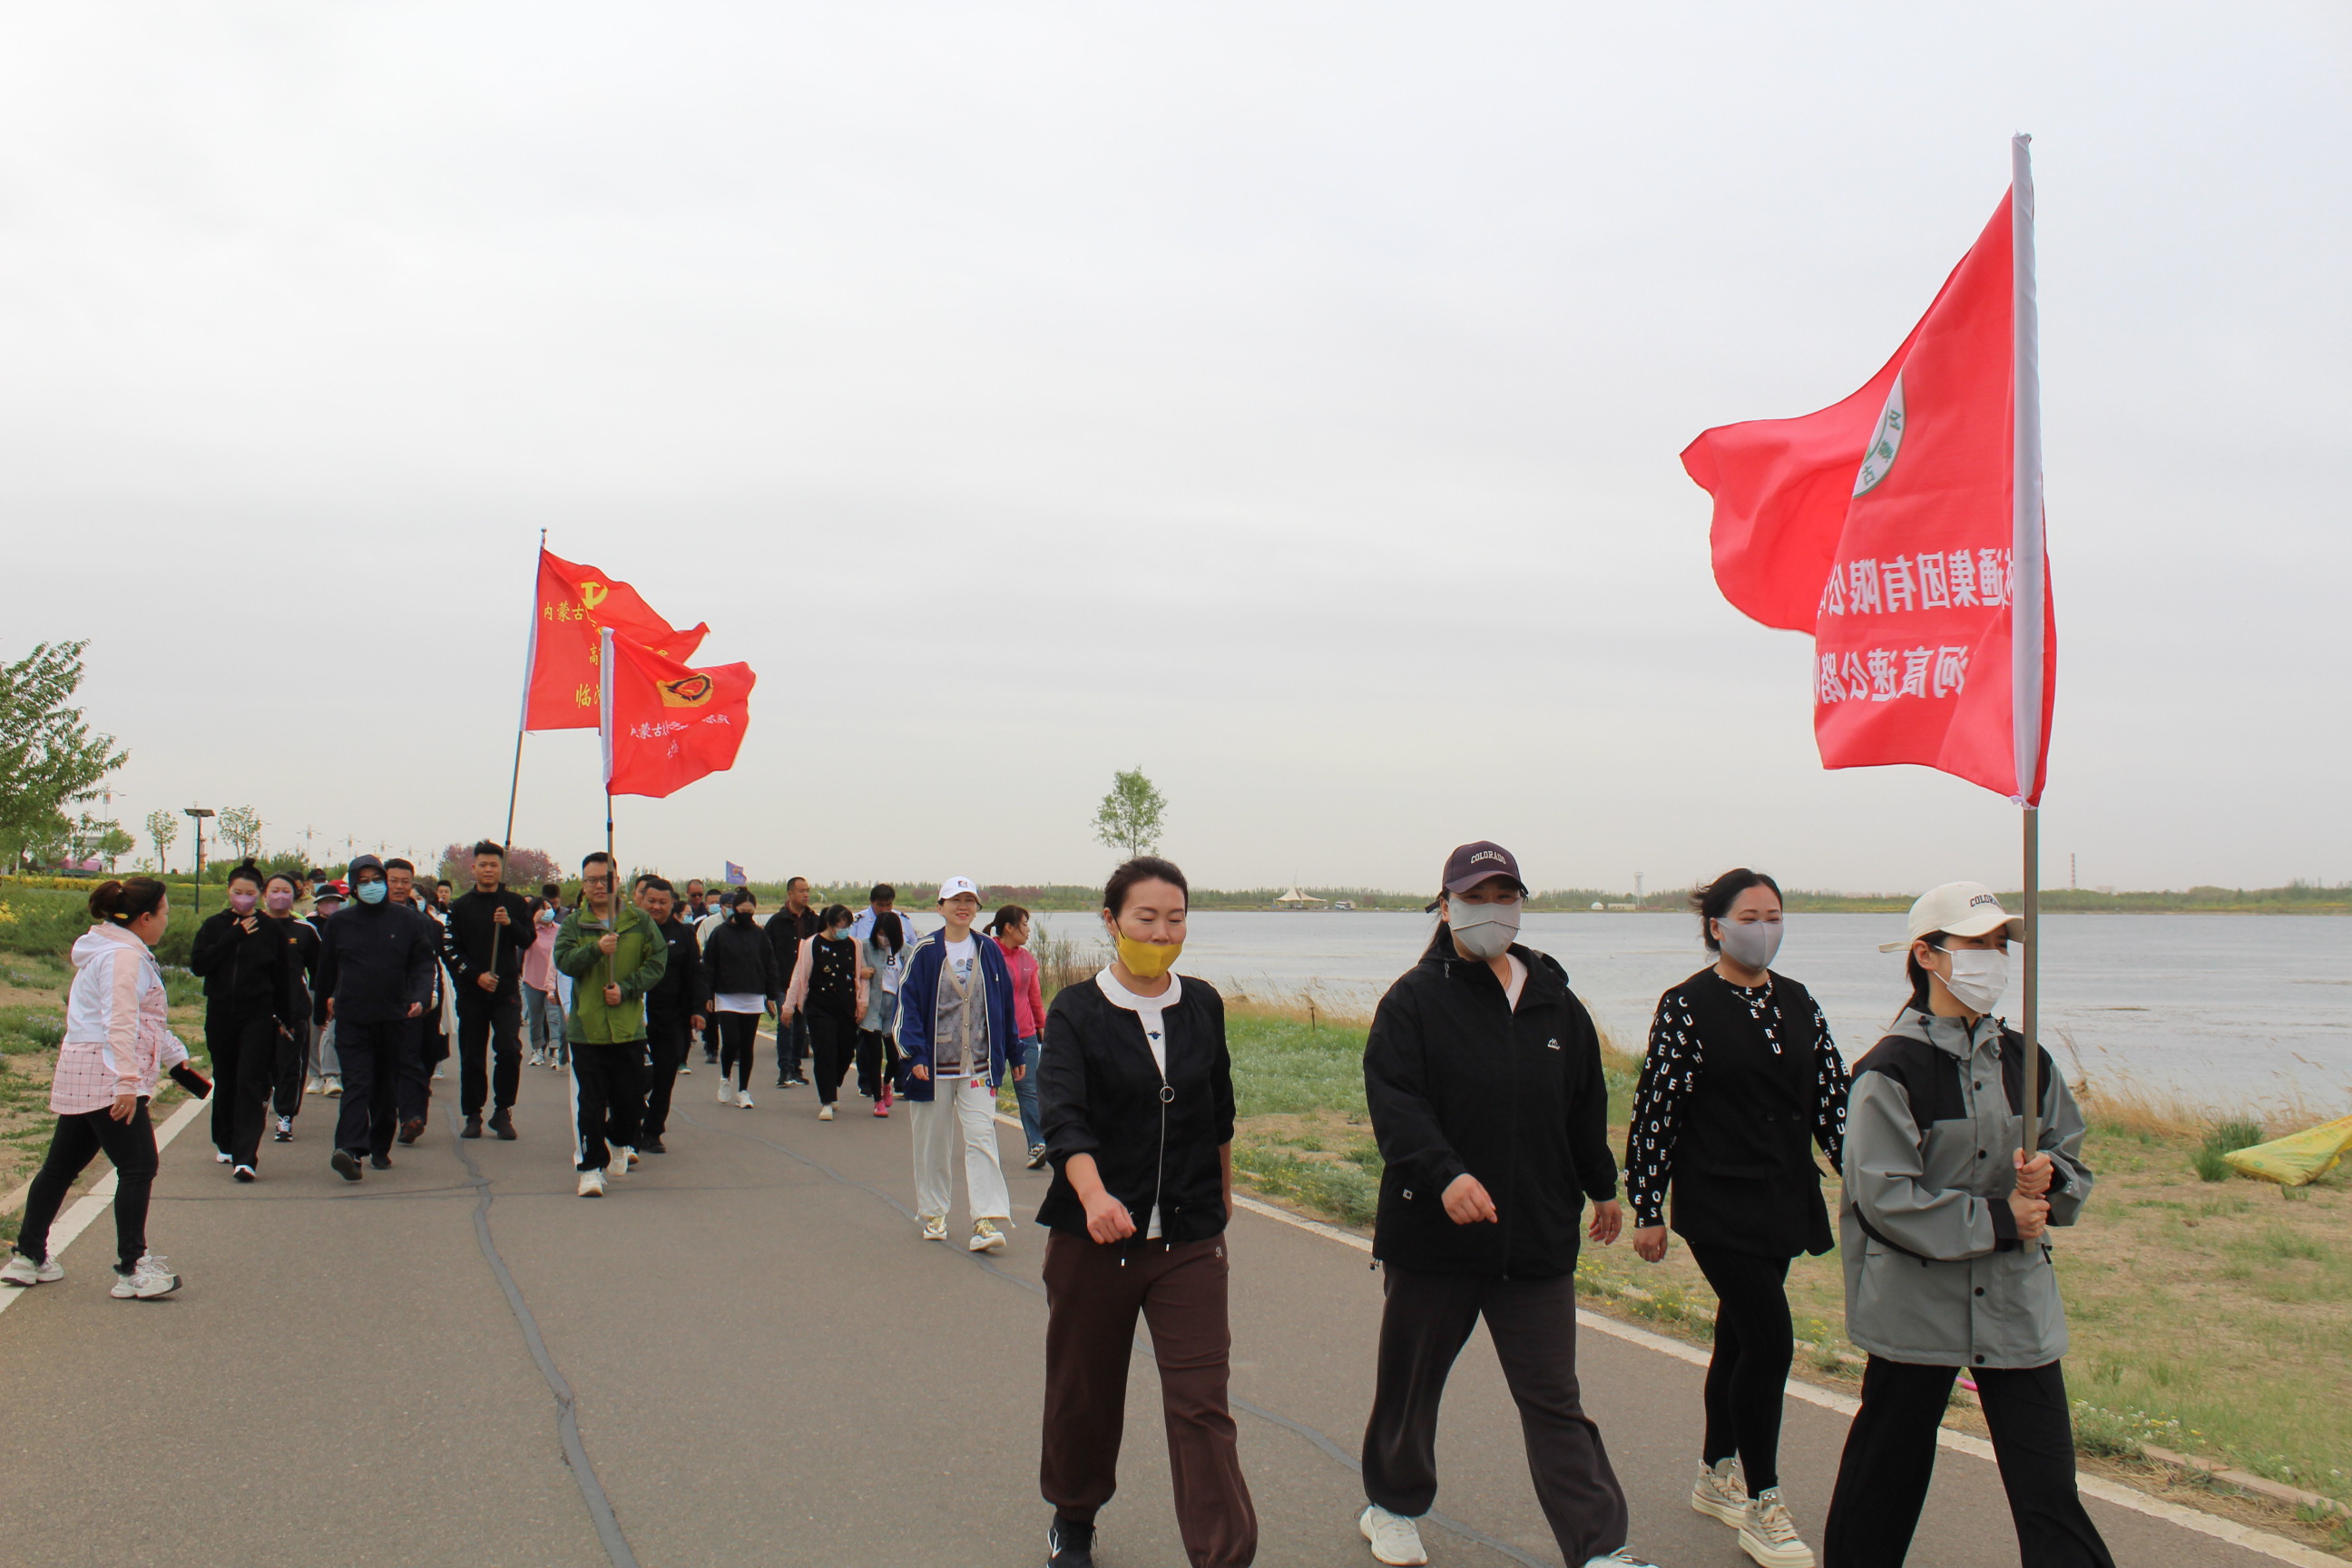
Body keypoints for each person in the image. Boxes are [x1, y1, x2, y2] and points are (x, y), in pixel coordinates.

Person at [1357, 842, 1653, 1568]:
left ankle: (1600, 1548)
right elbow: (1396, 1104)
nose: (1491, 910)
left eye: (1504, 896)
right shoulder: (1414, 1001)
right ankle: (1392, 1506)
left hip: (1536, 1238)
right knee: (1411, 1387)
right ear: (1446, 904)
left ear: (1521, 904)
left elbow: (1583, 1104)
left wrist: (1602, 1185)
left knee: (1554, 1399)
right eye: (1475, 896)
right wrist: (1445, 1176)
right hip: (1435, 1239)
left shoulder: (1555, 999)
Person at [1821, 883, 2109, 1568]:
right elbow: (1884, 1199)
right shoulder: (1888, 1070)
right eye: (1978, 943)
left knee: (2049, 1490)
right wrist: (2001, 1218)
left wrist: (2051, 1180)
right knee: (1883, 1483)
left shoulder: (2028, 1061)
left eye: (2000, 944)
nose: (1994, 957)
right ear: (1927, 955)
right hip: (1915, 1309)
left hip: (2016, 1305)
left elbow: (2070, 1160)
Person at [1034, 856, 1253, 1568]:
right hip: (1094, 1242)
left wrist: (1223, 1192)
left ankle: (1223, 1556)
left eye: (1175, 919)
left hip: (1189, 1241)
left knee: (1201, 1403)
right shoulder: (1076, 1010)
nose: (1161, 934)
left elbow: (1219, 1110)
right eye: (1146, 918)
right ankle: (1074, 1516)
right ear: (1112, 921)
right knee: (1085, 1394)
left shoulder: (1203, 1004)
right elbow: (1063, 1117)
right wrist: (1094, 1195)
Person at [1625, 868, 1847, 1568]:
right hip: (1717, 1201)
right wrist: (1648, 1206)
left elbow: (1833, 1100)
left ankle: (1714, 1471)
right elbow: (1657, 1108)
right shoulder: (1687, 1006)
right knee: (1771, 1340)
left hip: (1783, 1197)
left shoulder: (1799, 1001)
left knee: (1739, 1336)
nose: (1764, 929)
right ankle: (1762, 1501)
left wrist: (1868, 1178)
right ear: (1716, 926)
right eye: (1750, 917)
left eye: (1774, 916)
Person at [1, 877, 194, 1299]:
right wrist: (127, 1081)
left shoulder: (107, 950)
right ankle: (133, 1269)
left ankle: (28, 1256)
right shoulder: (125, 957)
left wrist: (175, 1060)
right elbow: (120, 1020)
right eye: (165, 912)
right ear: (145, 918)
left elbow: (143, 1021)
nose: (167, 920)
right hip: (109, 1073)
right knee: (138, 1166)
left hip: (83, 1070)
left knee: (60, 1167)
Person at [897, 876, 1018, 1252]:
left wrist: (1014, 1052)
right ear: (940, 907)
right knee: (933, 1142)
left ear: (977, 909)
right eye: (955, 901)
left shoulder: (988, 949)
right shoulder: (925, 951)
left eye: (969, 901)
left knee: (982, 1137)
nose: (962, 907)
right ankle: (934, 1213)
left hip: (978, 1064)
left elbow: (1004, 1004)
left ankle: (985, 1219)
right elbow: (907, 1006)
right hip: (933, 1066)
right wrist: (915, 1054)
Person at [315, 855, 439, 1181]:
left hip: (394, 1016)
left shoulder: (407, 920)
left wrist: (419, 997)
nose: (371, 886)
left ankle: (380, 1145)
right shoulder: (340, 923)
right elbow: (326, 969)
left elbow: (423, 964)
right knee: (357, 1083)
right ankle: (349, 1150)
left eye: (376, 880)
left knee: (384, 1088)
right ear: (354, 888)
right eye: (364, 882)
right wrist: (319, 1012)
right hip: (352, 1016)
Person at [553, 851, 665, 1197]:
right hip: (588, 1030)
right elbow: (564, 961)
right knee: (590, 1102)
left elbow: (657, 961)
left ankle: (618, 1140)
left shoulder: (638, 921)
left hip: (628, 1027)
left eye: (605, 879)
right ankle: (590, 1168)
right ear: (583, 884)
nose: (599, 886)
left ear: (617, 881)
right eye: (592, 880)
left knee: (630, 1101)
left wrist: (627, 988)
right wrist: (597, 950)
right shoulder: (575, 924)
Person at [188, 862, 299, 1181]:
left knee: (251, 1081)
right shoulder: (214, 926)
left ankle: (246, 1156)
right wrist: (232, 936)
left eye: (250, 893)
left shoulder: (271, 930)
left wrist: (287, 1018)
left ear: (259, 894)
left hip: (258, 1015)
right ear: (228, 891)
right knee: (226, 1078)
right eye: (238, 892)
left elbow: (281, 977)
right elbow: (199, 965)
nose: (243, 898)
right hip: (221, 1013)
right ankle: (225, 1140)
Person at [445, 840, 538, 1142]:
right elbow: (450, 948)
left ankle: (503, 1110)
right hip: (472, 991)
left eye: (494, 865)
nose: (488, 870)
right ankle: (473, 1114)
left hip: (505, 990)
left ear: (501, 868)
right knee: (472, 1054)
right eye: (483, 865)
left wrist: (509, 923)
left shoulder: (514, 903)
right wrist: (476, 975)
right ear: (474, 868)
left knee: (509, 1049)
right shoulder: (460, 906)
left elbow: (527, 940)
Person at [635, 877, 704, 1152]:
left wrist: (698, 1009)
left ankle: (653, 1131)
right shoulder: (630, 931)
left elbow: (695, 974)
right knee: (634, 1075)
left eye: (662, 902)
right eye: (651, 900)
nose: (656, 906)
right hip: (634, 1014)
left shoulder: (684, 934)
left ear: (672, 903)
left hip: (672, 1016)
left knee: (665, 1074)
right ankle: (629, 1123)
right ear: (641, 900)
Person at [781, 902, 866, 1122]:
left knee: (846, 1050)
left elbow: (861, 976)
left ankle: (833, 1083)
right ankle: (827, 1100)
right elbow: (799, 976)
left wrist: (862, 1004)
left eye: (847, 925)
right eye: (840, 925)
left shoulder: (854, 945)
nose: (844, 929)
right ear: (829, 924)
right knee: (824, 1051)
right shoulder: (812, 944)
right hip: (819, 1006)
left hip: (846, 1005)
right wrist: (788, 1007)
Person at [384, 858, 449, 1141]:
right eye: (393, 881)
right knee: (386, 1063)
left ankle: (412, 1117)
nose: (399, 887)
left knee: (414, 1057)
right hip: (377, 1001)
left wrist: (429, 996)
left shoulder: (425, 923)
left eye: (405, 882)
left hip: (416, 1000)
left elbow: (432, 964)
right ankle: (386, 1117)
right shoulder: (365, 919)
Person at [702, 887, 780, 1107]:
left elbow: (770, 964)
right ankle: (725, 1077)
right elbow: (709, 965)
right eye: (742, 911)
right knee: (731, 1041)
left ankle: (743, 1090)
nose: (746, 915)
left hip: (753, 995)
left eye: (750, 912)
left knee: (747, 1045)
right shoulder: (720, 933)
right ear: (734, 909)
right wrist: (708, 993)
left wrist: (771, 995)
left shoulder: (759, 935)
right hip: (726, 994)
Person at [988, 904, 1049, 1168]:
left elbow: (1034, 996)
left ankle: (1037, 1145)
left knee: (1029, 1090)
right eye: (1024, 925)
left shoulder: (1027, 959)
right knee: (989, 1089)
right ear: (1009, 928)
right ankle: (983, 1143)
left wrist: (1041, 1027)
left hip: (1025, 1035)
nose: (1027, 930)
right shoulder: (989, 954)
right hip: (993, 1035)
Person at [263, 871, 319, 1146]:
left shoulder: (304, 931)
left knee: (289, 1066)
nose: (280, 896)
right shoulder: (251, 927)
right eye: (274, 890)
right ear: (264, 895)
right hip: (258, 1010)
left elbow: (320, 971)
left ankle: (285, 1116)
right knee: (261, 1065)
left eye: (286, 891)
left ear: (295, 896)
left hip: (293, 1011)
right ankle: (260, 1103)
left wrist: (325, 1003)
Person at [767, 877, 823, 1086]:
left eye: (807, 890)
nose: (806, 895)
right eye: (801, 891)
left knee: (801, 1026)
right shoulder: (776, 922)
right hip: (783, 981)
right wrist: (769, 987)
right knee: (786, 1023)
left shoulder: (814, 920)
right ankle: (785, 1070)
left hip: (807, 982)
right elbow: (767, 953)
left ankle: (796, 1068)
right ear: (790, 893)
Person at [854, 906, 907, 1118]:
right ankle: (878, 1101)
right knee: (874, 1057)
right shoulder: (865, 947)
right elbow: (852, 969)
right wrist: (861, 972)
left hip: (894, 1010)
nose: (883, 938)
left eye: (887, 934)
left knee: (894, 1057)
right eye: (880, 933)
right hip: (872, 1007)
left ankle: (887, 1084)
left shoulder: (905, 951)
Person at [303, 886, 346, 1097]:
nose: (330, 905)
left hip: (340, 985)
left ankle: (332, 1075)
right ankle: (317, 1075)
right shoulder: (310, 926)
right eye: (326, 901)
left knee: (332, 1030)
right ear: (318, 904)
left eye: (334, 901)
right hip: (315, 984)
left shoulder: (346, 923)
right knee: (314, 1033)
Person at [523, 884, 563, 1068]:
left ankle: (556, 1050)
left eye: (549, 908)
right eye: (543, 909)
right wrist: (533, 921)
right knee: (536, 1018)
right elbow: (523, 941)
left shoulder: (559, 930)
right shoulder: (531, 931)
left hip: (553, 982)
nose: (547, 911)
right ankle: (538, 1049)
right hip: (533, 979)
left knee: (554, 1018)